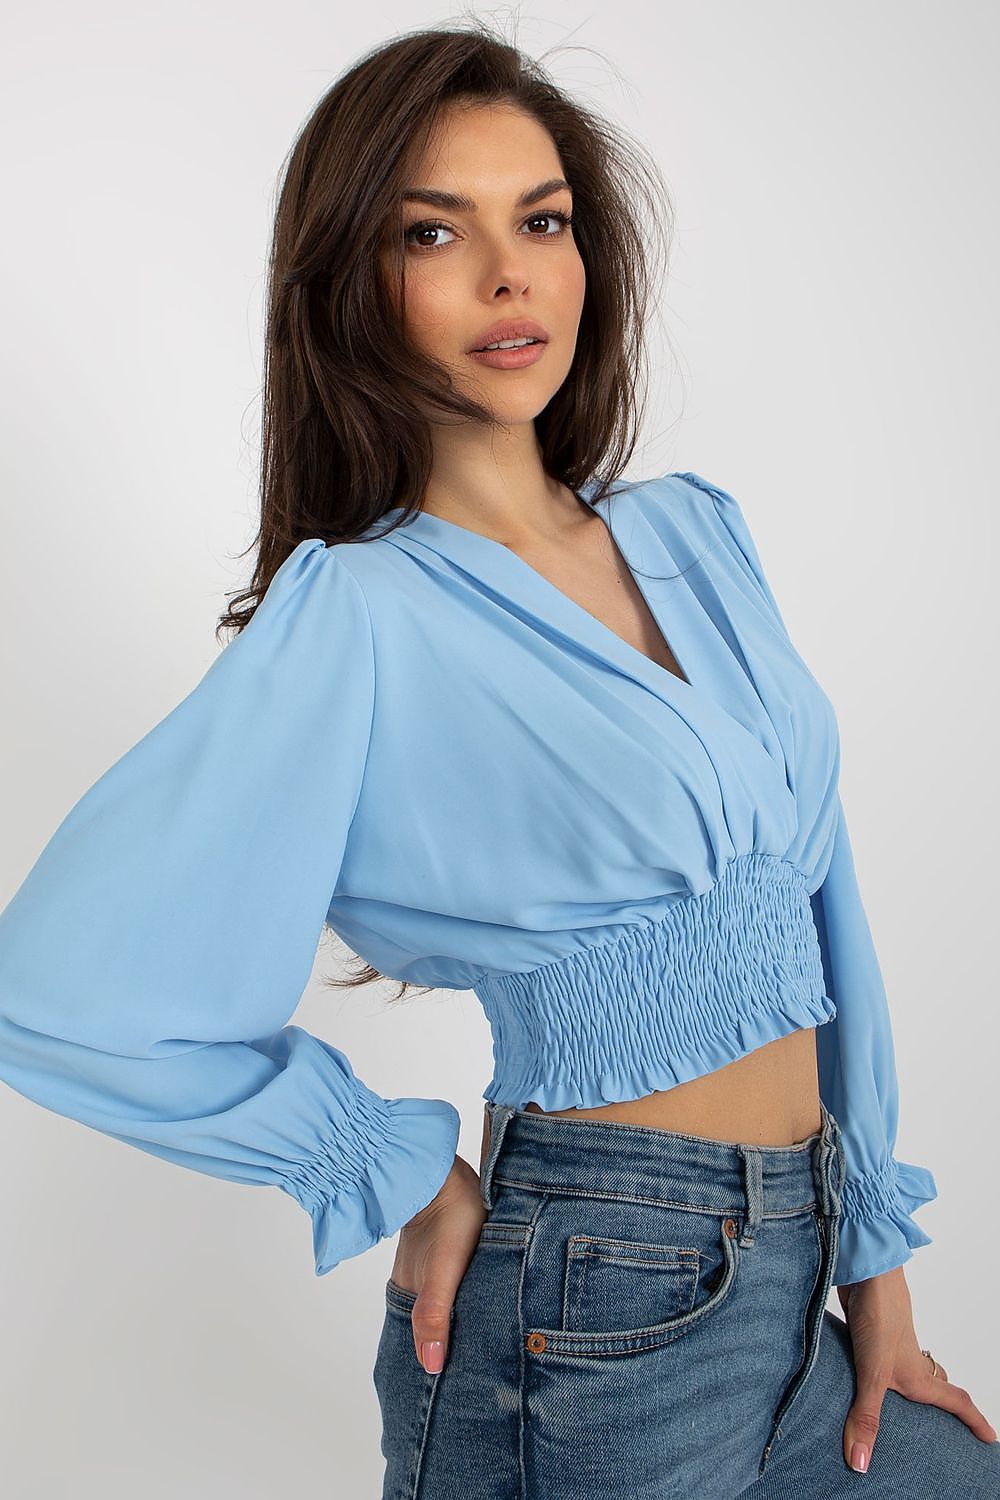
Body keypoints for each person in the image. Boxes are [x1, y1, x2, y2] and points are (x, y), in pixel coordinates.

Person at [0, 21, 996, 1499]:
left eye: (541, 220)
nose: (509, 274)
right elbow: (60, 993)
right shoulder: (358, 615)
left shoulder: (696, 534)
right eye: (433, 232)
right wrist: (395, 1168)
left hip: (804, 1280)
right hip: (594, 1296)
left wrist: (876, 1261)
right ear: (360, 285)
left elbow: (819, 905)